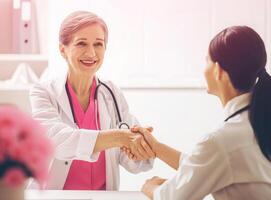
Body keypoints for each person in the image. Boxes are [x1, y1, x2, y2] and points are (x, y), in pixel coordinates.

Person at [129, 26, 271, 199]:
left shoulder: (223, 139)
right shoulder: (256, 123)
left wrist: (150, 187)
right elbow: (206, 162)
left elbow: (170, 197)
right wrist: (157, 148)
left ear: (218, 71)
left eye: (206, 61)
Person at [29, 11, 155, 190]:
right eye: (81, 43)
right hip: (56, 196)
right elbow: (55, 141)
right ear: (62, 49)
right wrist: (120, 138)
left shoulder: (111, 93)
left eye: (98, 44)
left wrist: (140, 149)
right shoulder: (43, 91)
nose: (91, 53)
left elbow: (131, 159)